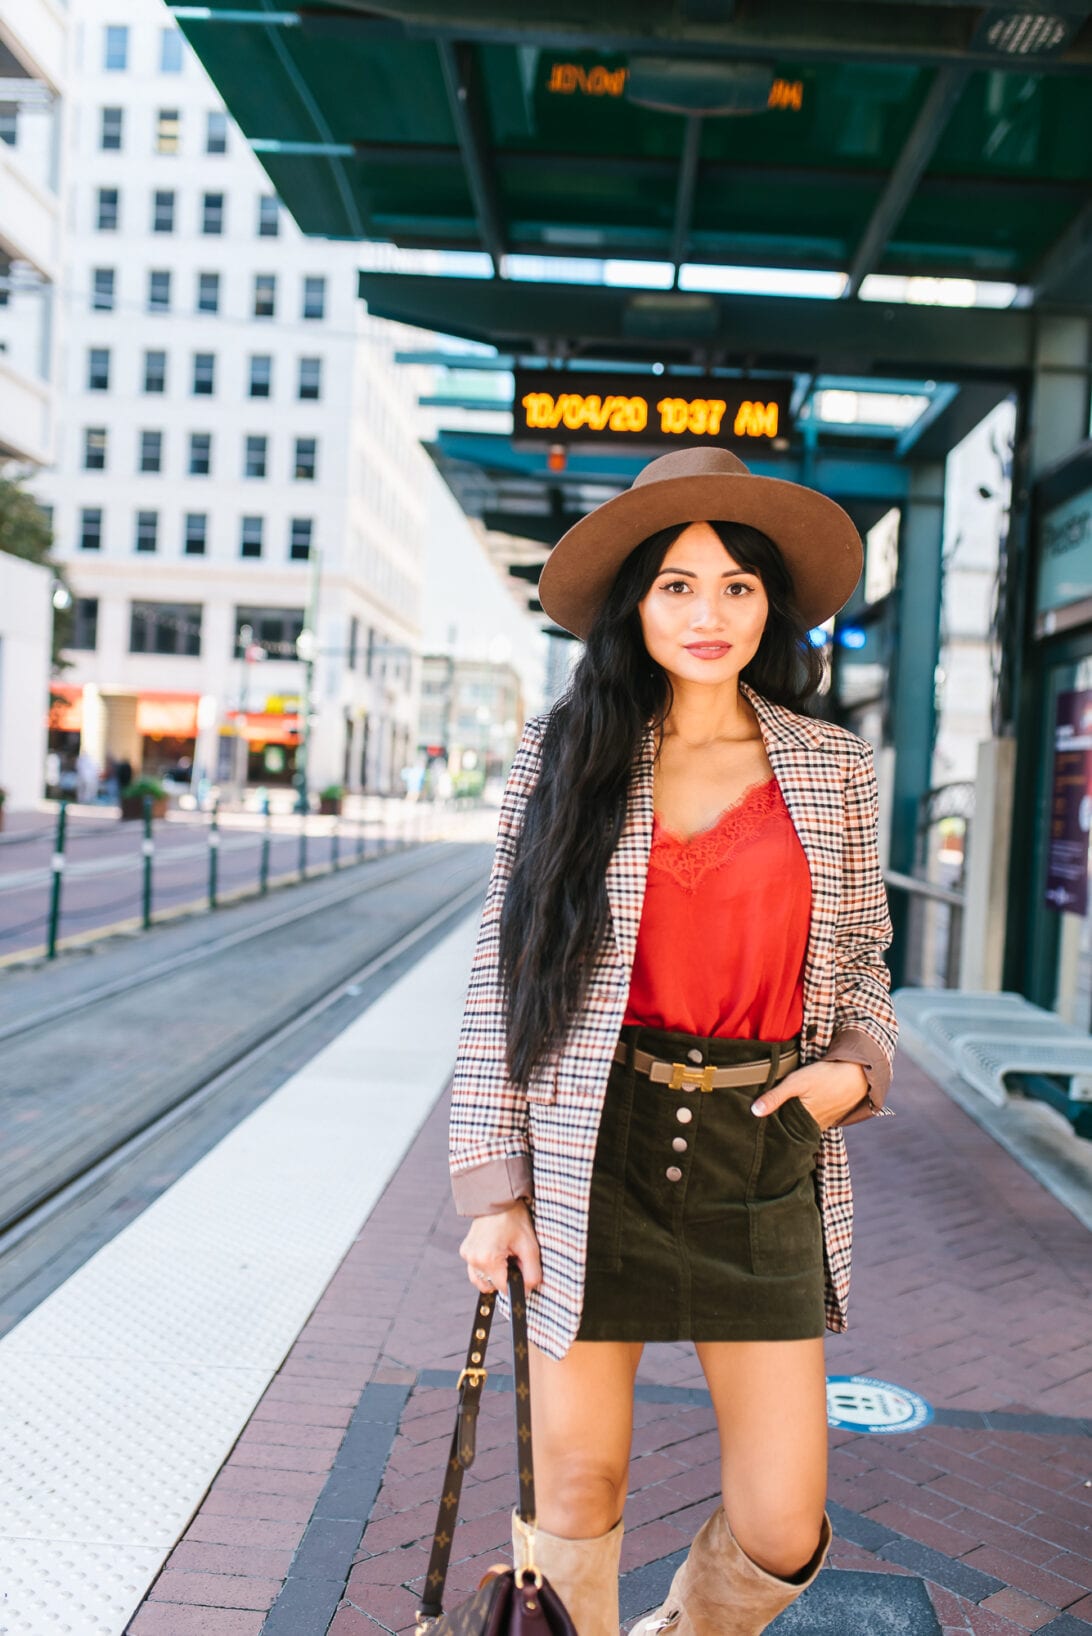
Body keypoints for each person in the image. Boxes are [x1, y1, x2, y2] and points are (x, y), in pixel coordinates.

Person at [447, 445, 898, 1636]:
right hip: (596, 1141)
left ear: (772, 606)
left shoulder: (832, 765)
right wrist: (495, 1189)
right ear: (634, 602)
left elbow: (861, 961)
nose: (711, 614)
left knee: (782, 1520)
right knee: (580, 1488)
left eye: (739, 586)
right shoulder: (566, 756)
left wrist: (855, 1067)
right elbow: (502, 981)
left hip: (764, 1152)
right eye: (680, 585)